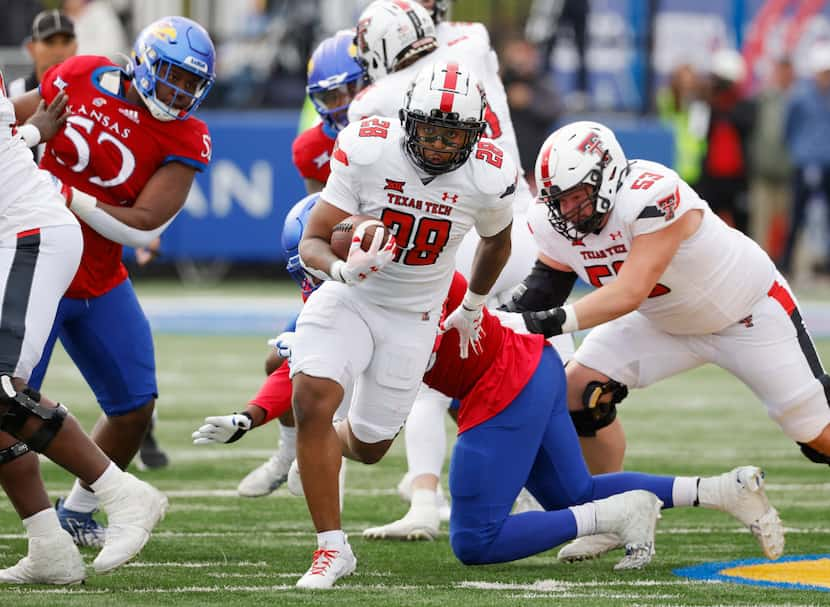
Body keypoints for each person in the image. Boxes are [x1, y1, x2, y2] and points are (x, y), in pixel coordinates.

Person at [194, 266, 784, 573]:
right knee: (570, 491)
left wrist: (300, 432)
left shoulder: (381, 295)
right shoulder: (381, 281)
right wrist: (252, 416)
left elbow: (328, 392)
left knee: (476, 542)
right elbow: (297, 365)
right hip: (534, 365)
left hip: (500, 389)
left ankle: (619, 514)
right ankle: (720, 491)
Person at [498, 119, 830, 562]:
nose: (567, 210)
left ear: (608, 174)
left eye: (576, 195)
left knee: (817, 435)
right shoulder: (553, 221)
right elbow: (543, 288)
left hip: (748, 313)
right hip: (661, 320)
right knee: (579, 393)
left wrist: (548, 323)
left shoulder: (653, 194)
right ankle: (607, 515)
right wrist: (491, 322)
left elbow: (630, 290)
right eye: (557, 199)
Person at [289, 58, 516, 588]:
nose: (438, 143)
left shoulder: (488, 174)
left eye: (452, 133)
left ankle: (320, 444)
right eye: (430, 129)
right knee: (311, 399)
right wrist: (342, 267)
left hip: (414, 315)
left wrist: (474, 305)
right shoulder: (368, 147)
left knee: (369, 447)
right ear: (407, 119)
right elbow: (313, 239)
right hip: (350, 295)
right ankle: (331, 549)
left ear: (475, 134)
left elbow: (497, 242)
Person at [350, 0, 571, 536]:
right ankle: (550, 492)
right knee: (544, 369)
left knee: (432, 380)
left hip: (471, 237)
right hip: (526, 223)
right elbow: (454, 37)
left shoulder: (372, 102)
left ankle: (425, 500)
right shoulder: (471, 42)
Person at [8, 16, 215, 549]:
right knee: (9, 402)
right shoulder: (81, 75)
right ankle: (40, 532)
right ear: (143, 63)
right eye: (171, 75)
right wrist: (32, 143)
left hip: (98, 278)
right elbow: (12, 130)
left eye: (192, 83)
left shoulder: (187, 134)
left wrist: (66, 192)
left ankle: (78, 511)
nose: (179, 91)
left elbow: (144, 223)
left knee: (135, 404)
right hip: (31, 264)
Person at [0, 69, 166, 586]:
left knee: (1, 390)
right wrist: (32, 135)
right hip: (18, 230)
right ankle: (50, 547)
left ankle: (122, 493)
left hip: (26, 233)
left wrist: (30, 137)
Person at [235, 31, 368, 499]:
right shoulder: (312, 145)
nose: (346, 102)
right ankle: (289, 449)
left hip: (402, 265)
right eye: (334, 94)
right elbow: (322, 218)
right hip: (347, 263)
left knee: (446, 387)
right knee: (284, 355)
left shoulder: (395, 131)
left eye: (354, 89)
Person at [781, 42, 830, 278]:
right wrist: (800, 151)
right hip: (804, 163)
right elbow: (789, 127)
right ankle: (787, 261)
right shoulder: (801, 96)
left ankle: (826, 265)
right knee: (796, 215)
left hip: (828, 163)